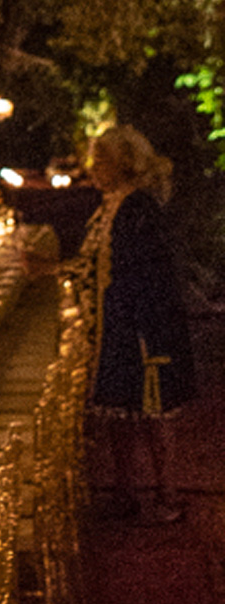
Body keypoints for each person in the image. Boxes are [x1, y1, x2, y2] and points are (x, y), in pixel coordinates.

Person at [78, 125, 195, 525]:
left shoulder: (138, 207)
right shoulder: (111, 204)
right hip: (116, 325)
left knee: (153, 413)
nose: (93, 167)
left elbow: (147, 272)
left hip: (143, 326)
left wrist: (146, 331)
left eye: (101, 158)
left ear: (124, 162)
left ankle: (168, 495)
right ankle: (124, 491)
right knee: (118, 412)